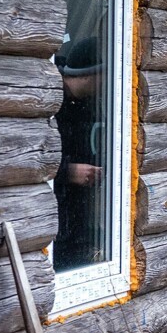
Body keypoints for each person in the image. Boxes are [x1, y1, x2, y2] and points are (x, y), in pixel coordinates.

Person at [53, 36, 106, 270]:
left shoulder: (91, 104)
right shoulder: (48, 101)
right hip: (50, 220)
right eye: (105, 76)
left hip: (77, 220)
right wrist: (67, 171)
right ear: (90, 74)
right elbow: (19, 162)